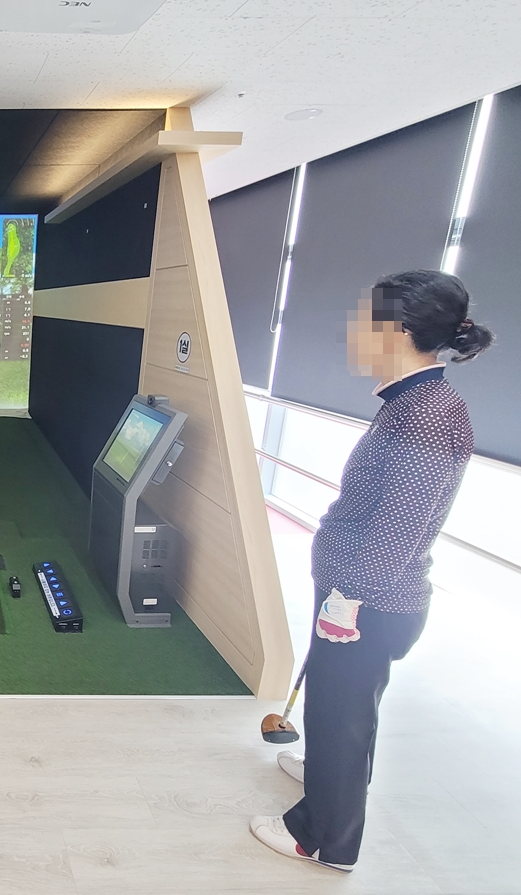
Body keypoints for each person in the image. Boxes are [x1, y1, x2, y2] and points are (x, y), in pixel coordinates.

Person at [251, 270, 494, 872]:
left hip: (367, 598)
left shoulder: (427, 415)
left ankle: (323, 837)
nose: (353, 333)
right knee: (339, 706)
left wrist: (346, 602)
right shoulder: (411, 401)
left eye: (365, 321)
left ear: (398, 332)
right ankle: (331, 774)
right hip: (356, 589)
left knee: (343, 712)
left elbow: (397, 529)